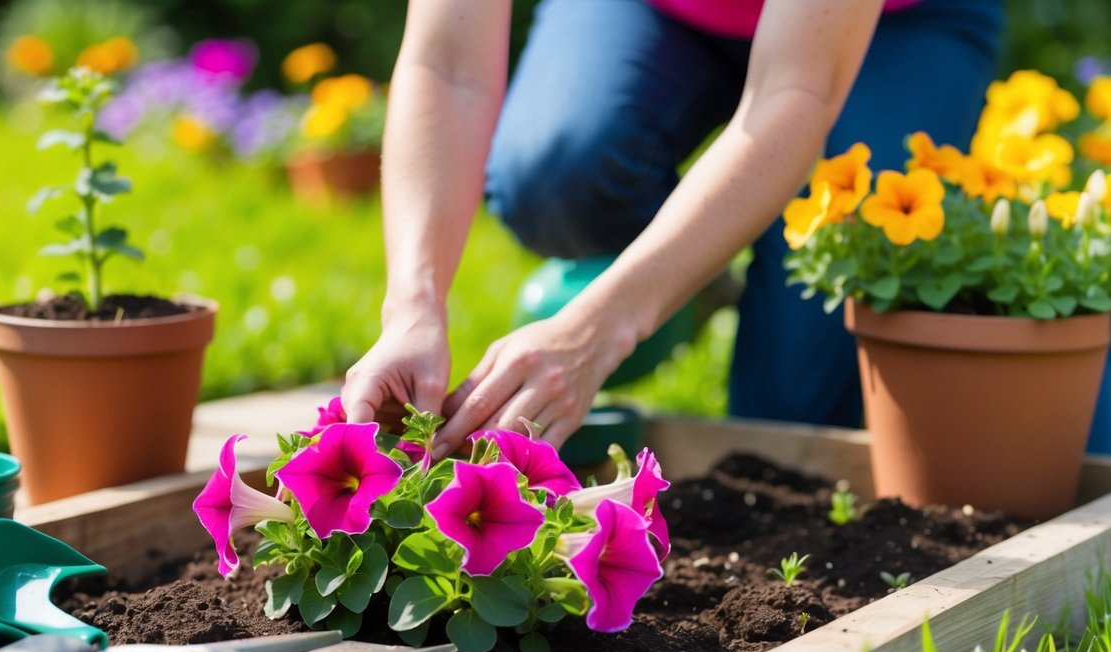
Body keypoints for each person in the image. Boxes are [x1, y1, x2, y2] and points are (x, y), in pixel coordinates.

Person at [340, 0, 1005, 457]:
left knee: (788, 421)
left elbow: (794, 88)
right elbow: (447, 64)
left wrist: (598, 331)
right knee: (555, 175)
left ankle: (708, 279)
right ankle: (693, 273)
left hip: (892, 26)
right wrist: (411, 308)